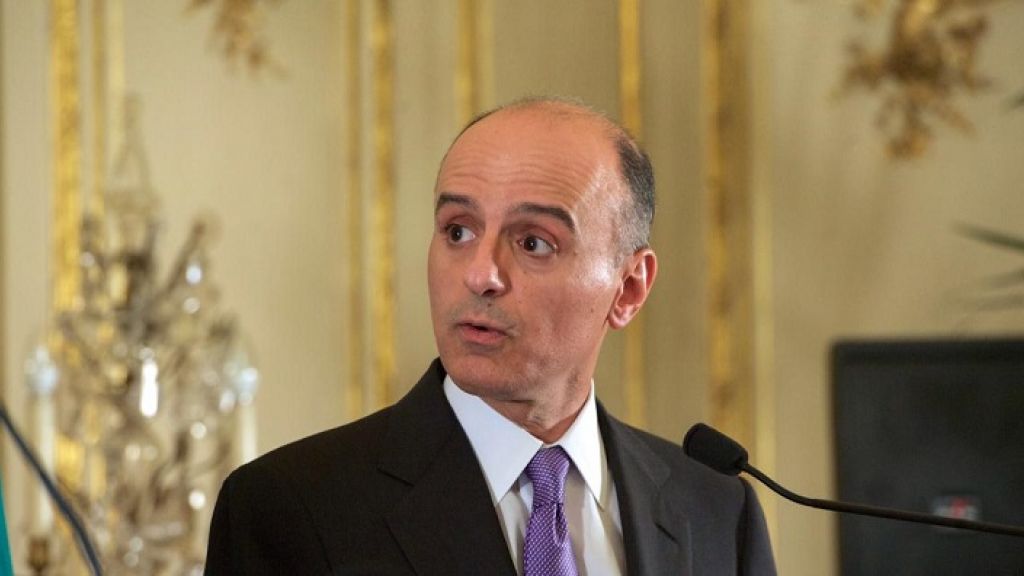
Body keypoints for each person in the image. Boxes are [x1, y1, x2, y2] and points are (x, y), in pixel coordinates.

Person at [205, 97, 776, 575]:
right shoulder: (290, 508)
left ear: (628, 288)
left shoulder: (718, 511)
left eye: (533, 243)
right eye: (458, 231)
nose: (481, 274)